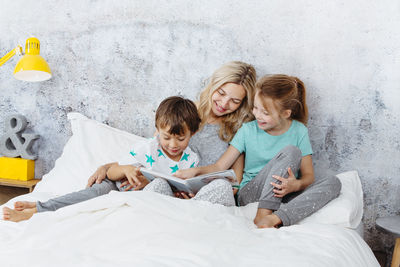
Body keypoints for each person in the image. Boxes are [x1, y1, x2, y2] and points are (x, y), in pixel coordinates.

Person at [175, 74, 342, 228]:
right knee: (291, 151)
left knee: (334, 183)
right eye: (255, 108)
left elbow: (308, 176)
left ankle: (277, 218)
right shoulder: (247, 130)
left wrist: (296, 185)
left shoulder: (299, 131)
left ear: (285, 113)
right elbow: (220, 166)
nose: (257, 115)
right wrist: (195, 171)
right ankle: (263, 213)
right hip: (252, 192)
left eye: (265, 112)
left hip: (285, 191)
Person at [3, 96, 201, 222]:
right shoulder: (148, 147)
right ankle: (38, 209)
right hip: (116, 185)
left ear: (192, 133)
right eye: (166, 137)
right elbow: (111, 172)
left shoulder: (191, 160)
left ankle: (39, 209)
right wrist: (126, 170)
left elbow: (183, 188)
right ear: (157, 130)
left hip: (143, 199)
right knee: (86, 197)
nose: (173, 145)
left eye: (181, 139)